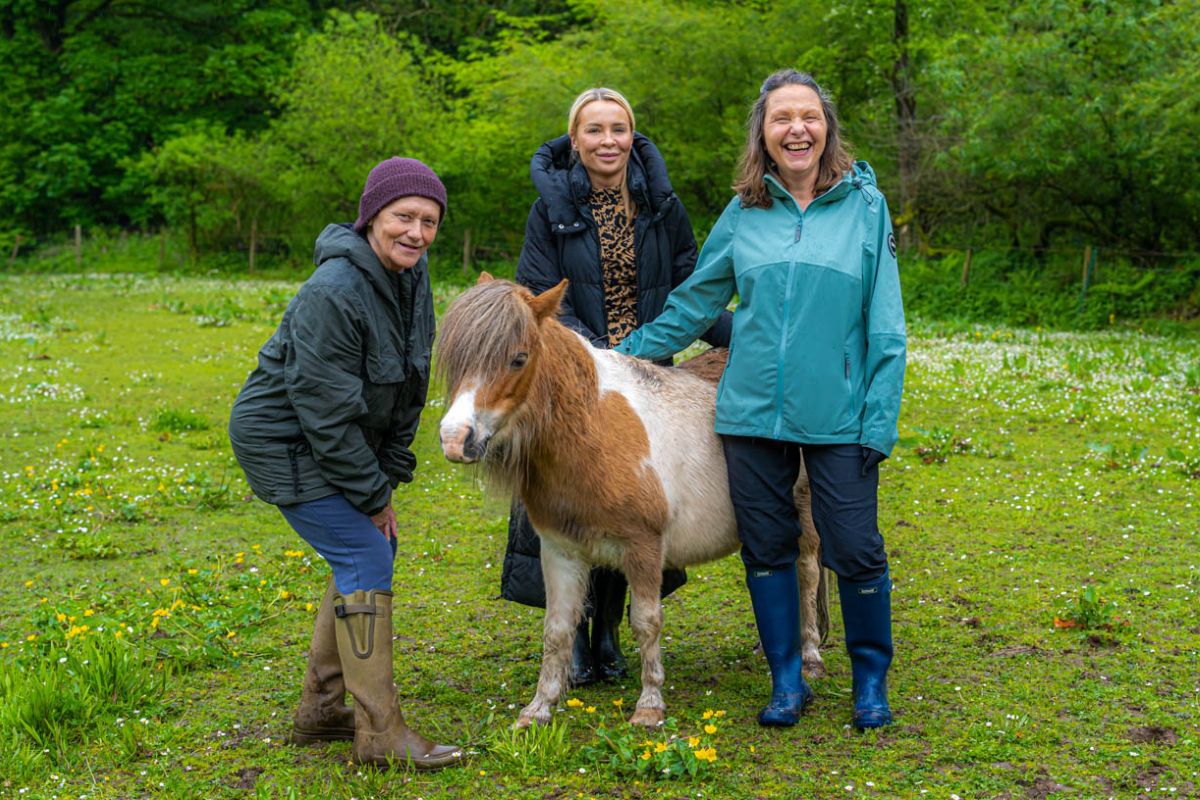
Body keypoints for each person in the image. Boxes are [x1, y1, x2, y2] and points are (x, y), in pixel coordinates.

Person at [615, 70, 906, 730]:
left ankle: (869, 681)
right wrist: (619, 356)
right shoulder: (745, 211)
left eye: (808, 116)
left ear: (825, 127)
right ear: (764, 134)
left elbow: (886, 326)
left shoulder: (865, 208)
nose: (796, 128)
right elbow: (695, 303)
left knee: (855, 548)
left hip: (840, 419)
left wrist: (878, 421)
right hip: (749, 415)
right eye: (782, 119)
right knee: (768, 546)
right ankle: (785, 681)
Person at [228, 157, 464, 769]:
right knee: (365, 551)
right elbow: (324, 413)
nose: (417, 232)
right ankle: (379, 733)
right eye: (403, 217)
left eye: (429, 221)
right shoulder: (333, 292)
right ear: (371, 218)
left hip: (334, 437)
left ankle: (320, 710)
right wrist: (372, 494)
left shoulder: (412, 275)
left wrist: (385, 475)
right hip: (285, 439)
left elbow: (410, 379)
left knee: (366, 549)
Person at [501, 87, 731, 686]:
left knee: (628, 508)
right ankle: (574, 637)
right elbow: (535, 298)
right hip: (577, 378)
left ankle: (609, 632)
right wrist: (594, 360)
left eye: (618, 129)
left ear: (633, 137)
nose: (608, 141)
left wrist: (751, 336)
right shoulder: (547, 209)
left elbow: (693, 288)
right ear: (574, 140)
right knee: (567, 502)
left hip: (650, 373)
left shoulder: (663, 206)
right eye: (594, 130)